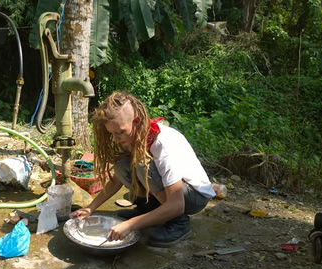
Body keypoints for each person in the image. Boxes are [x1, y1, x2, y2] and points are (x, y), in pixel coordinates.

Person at [69, 91, 216, 247]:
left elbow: (177, 204)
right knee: (122, 164)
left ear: (136, 121)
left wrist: (131, 224)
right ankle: (147, 208)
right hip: (173, 194)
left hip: (193, 196)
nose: (116, 139)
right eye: (112, 133)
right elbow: (117, 180)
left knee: (142, 166)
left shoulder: (162, 145)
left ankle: (179, 223)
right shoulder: (134, 138)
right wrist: (90, 208)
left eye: (120, 132)